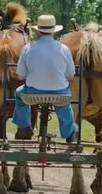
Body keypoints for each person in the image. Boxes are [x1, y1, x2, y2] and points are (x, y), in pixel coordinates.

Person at [12, 14, 77, 143]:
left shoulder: (27, 48)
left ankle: (24, 127)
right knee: (64, 104)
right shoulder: (64, 49)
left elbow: (20, 76)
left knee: (19, 94)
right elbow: (71, 75)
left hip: (32, 95)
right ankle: (69, 134)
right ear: (54, 31)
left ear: (38, 31)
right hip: (59, 95)